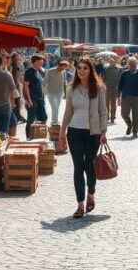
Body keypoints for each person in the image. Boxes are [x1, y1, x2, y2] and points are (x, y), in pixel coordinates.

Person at [56, 57, 108, 219]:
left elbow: (103, 111)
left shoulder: (99, 89)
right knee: (78, 167)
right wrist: (62, 132)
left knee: (89, 166)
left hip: (93, 132)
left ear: (90, 70)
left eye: (85, 68)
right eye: (79, 68)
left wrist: (103, 131)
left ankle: (91, 193)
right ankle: (80, 204)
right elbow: (67, 112)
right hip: (75, 131)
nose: (82, 71)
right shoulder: (71, 88)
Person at [118, 57, 138, 137]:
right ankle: (129, 124)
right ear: (128, 65)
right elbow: (120, 85)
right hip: (126, 96)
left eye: (134, 64)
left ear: (136, 64)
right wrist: (118, 96)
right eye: (130, 64)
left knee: (135, 115)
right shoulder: (124, 73)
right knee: (123, 114)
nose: (132, 66)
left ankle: (135, 132)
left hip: (136, 97)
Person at [23, 55, 47, 132]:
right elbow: (26, 86)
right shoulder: (29, 71)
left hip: (40, 99)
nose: (42, 64)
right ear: (35, 62)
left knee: (43, 117)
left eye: (42, 62)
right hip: (32, 99)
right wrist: (28, 99)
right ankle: (28, 136)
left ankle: (38, 135)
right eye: (40, 62)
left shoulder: (38, 71)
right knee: (31, 119)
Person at [45, 60, 69, 126]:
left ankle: (55, 121)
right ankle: (54, 121)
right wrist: (44, 91)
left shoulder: (63, 72)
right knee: (54, 107)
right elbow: (44, 81)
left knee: (57, 107)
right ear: (59, 66)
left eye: (65, 68)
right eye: (64, 67)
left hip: (60, 92)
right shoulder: (50, 71)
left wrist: (66, 93)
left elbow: (64, 82)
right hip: (51, 92)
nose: (64, 69)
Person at [102, 59, 122, 124]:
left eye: (112, 61)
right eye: (110, 61)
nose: (111, 63)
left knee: (113, 104)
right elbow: (104, 78)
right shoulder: (106, 69)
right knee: (106, 103)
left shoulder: (119, 69)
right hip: (107, 88)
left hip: (115, 88)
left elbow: (120, 79)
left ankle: (113, 118)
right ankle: (107, 118)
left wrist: (118, 87)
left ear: (115, 62)